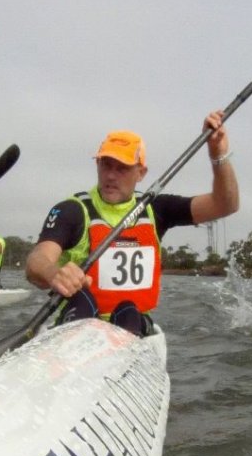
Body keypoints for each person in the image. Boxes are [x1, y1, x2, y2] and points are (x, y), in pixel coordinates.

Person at [25, 110, 239, 336]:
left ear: (141, 173)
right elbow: (37, 261)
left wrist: (218, 155)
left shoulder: (156, 209)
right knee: (83, 304)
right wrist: (53, 273)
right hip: (78, 320)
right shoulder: (73, 210)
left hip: (130, 325)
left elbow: (225, 204)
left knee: (128, 312)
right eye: (105, 165)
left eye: (122, 168)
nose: (110, 176)